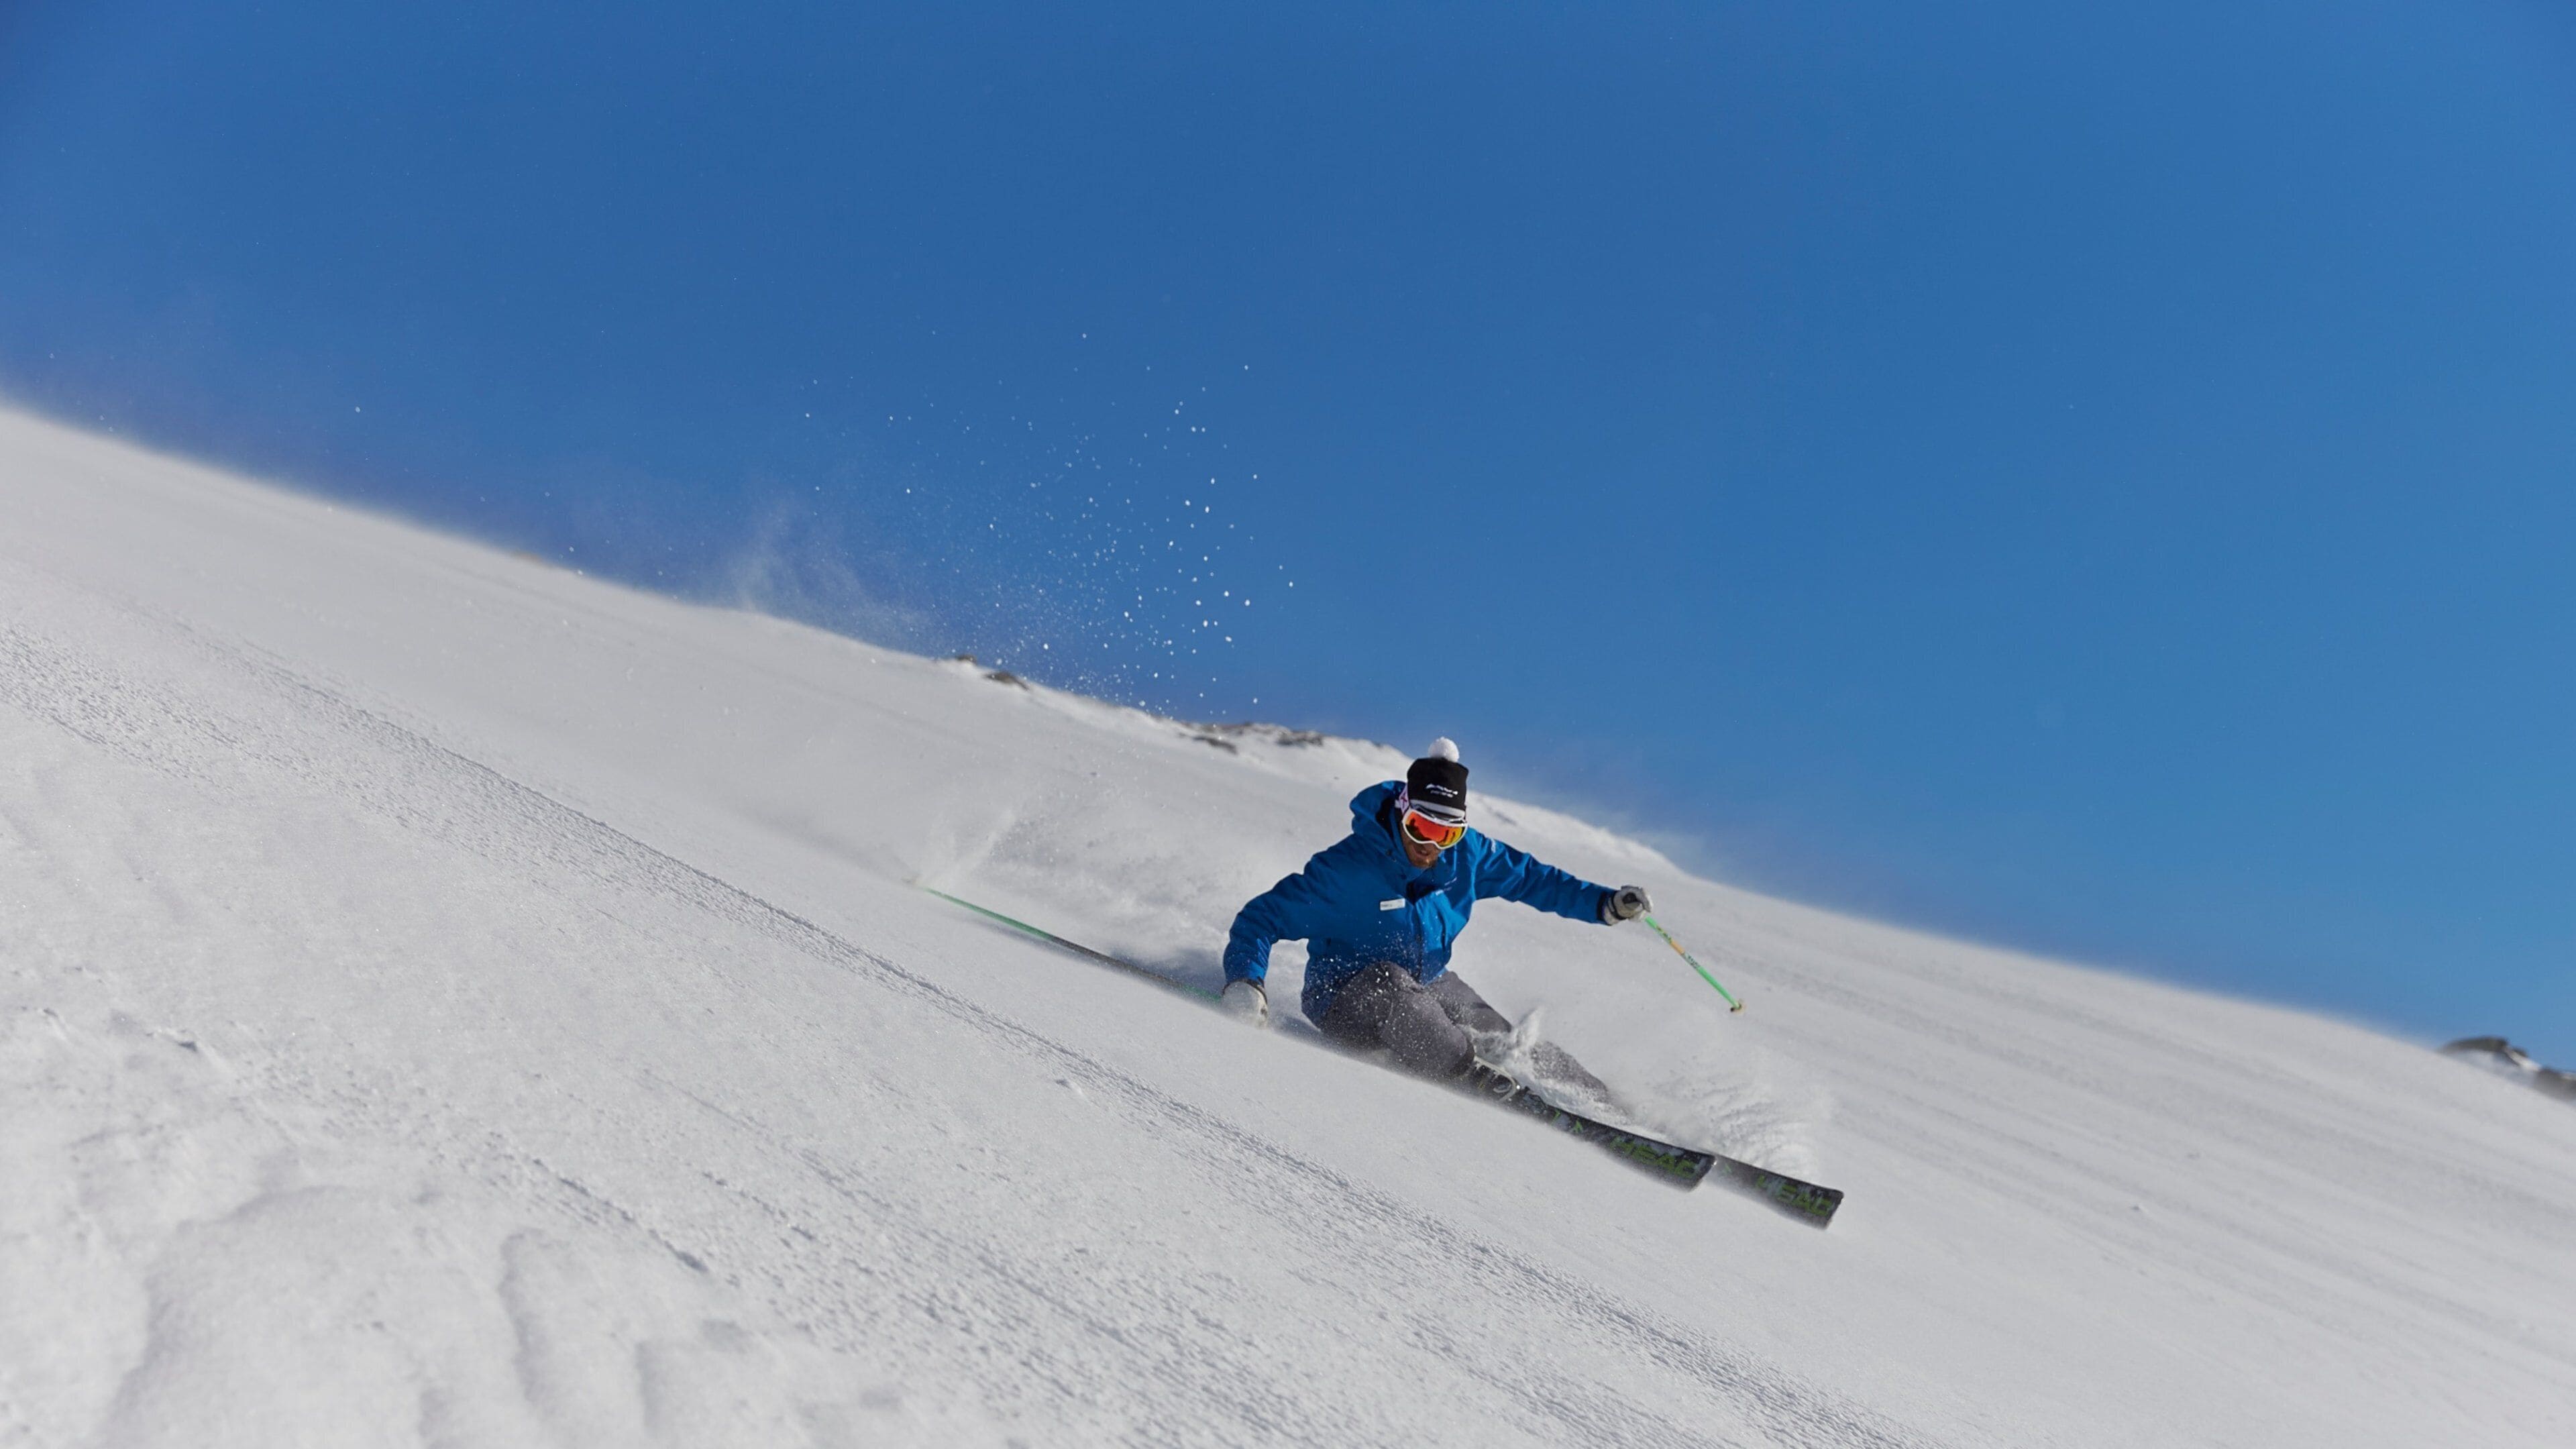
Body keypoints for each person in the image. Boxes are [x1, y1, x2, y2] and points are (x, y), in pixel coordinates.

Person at [1219, 737, 1653, 1091]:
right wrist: (1246, 982)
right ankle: (1475, 1082)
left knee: (1505, 1039)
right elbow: (1261, 919)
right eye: (1423, 828)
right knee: (1391, 983)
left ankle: (1597, 1101)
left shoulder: (1469, 856)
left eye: (1447, 832)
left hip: (1429, 982)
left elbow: (1533, 879)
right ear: (1403, 813)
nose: (1432, 843)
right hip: (1345, 1001)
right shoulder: (1345, 872)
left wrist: (1605, 903)